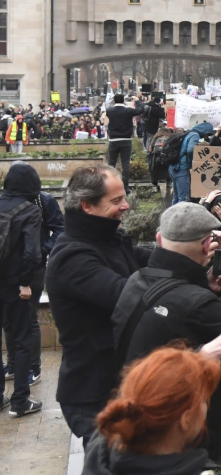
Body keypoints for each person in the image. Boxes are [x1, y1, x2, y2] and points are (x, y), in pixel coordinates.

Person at [111, 202, 221, 461]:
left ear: (159, 238)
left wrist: (204, 284)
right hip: (182, 440)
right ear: (207, 246)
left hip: (136, 418)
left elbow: (174, 299)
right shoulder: (197, 304)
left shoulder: (136, 280)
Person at [83, 330, 221, 475]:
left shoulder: (101, 447)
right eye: (204, 400)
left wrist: (202, 358)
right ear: (186, 419)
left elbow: (146, 393)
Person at [47, 165, 148, 444]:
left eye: (124, 198)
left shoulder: (110, 239)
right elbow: (126, 295)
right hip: (93, 395)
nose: (125, 206)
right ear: (87, 206)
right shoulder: (73, 256)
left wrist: (195, 259)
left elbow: (154, 262)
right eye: (116, 201)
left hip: (117, 384)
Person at [2, 162, 63, 389]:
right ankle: (14, 364)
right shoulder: (7, 200)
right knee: (9, 321)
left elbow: (59, 229)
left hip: (33, 268)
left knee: (28, 318)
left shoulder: (43, 200)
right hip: (9, 269)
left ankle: (32, 367)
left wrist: (42, 249)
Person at [0, 162, 44, 417]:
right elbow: (31, 253)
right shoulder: (30, 211)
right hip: (14, 285)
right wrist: (26, 282)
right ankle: (20, 401)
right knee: (22, 339)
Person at [104, 94, 143, 194]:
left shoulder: (110, 111)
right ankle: (125, 187)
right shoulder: (128, 111)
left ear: (114, 101)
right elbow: (141, 109)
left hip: (113, 141)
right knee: (125, 164)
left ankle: (110, 186)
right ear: (123, 100)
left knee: (111, 164)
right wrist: (137, 100)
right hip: (126, 140)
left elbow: (107, 106)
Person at [170, 121, 213, 205]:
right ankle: (182, 218)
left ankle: (172, 216)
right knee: (183, 199)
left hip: (174, 167)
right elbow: (190, 150)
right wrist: (192, 162)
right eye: (207, 134)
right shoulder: (195, 135)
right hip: (181, 168)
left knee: (176, 197)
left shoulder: (187, 133)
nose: (206, 136)